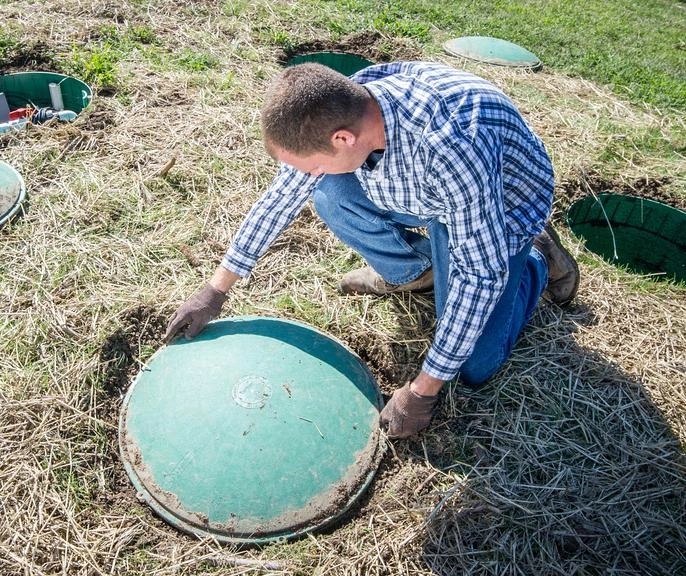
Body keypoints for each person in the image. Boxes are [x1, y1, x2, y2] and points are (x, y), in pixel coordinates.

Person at [164, 61, 579, 438]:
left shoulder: (450, 147)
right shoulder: (351, 102)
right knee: (329, 190)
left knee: (474, 365)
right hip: (427, 189)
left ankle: (536, 258)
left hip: (500, 206)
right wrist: (216, 290)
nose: (305, 175)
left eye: (309, 164)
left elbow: (480, 275)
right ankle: (418, 270)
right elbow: (280, 200)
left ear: (343, 139)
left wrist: (423, 389)